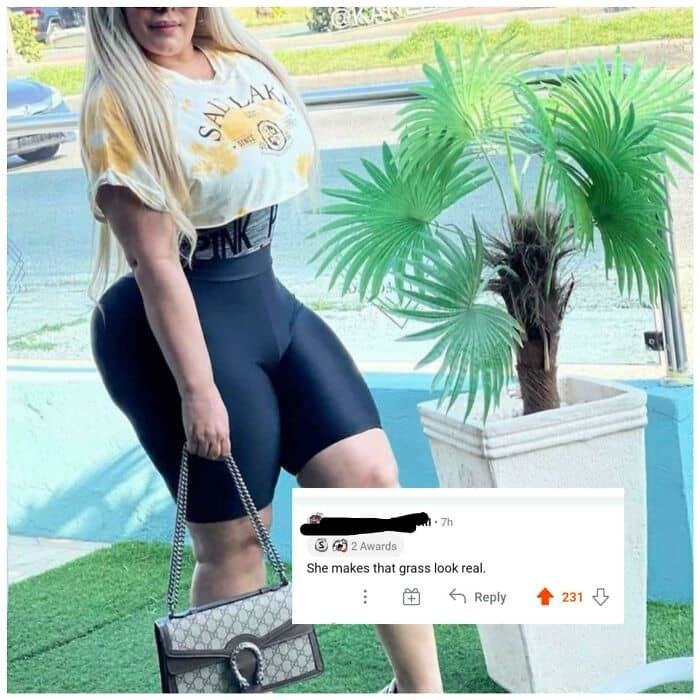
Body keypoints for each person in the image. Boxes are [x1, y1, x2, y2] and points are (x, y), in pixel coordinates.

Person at [80, 7, 443, 694]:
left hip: (265, 299)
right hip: (174, 324)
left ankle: (420, 691)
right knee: (239, 545)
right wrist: (198, 390)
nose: (163, 7)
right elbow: (154, 262)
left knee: (369, 485)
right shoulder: (120, 100)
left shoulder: (238, 65)